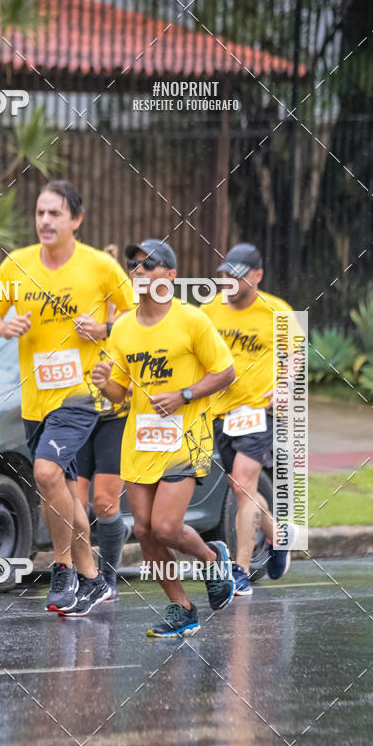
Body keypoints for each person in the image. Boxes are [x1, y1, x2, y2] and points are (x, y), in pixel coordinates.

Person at [0, 181, 134, 617]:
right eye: (40, 213)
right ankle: (92, 578)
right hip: (36, 399)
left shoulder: (100, 266)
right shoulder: (17, 263)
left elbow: (136, 317)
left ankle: (63, 567)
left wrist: (104, 329)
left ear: (76, 220)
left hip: (81, 394)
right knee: (59, 491)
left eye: (55, 214)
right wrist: (3, 327)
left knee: (46, 472)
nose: (45, 221)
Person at [92, 238, 236, 639]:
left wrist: (184, 395)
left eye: (149, 264)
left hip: (185, 438)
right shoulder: (122, 328)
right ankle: (182, 608)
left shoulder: (191, 320)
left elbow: (226, 372)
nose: (138, 271)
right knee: (143, 530)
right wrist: (105, 384)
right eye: (134, 265)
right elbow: (120, 393)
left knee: (167, 527)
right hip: (141, 441)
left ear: (171, 275)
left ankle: (211, 559)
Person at [202, 242, 297, 595]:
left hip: (260, 411)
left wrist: (286, 386)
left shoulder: (276, 311)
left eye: (238, 276)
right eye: (226, 274)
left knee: (242, 484)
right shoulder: (209, 311)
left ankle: (239, 571)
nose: (230, 281)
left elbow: (295, 355)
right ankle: (278, 536)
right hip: (220, 413)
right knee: (243, 489)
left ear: (257, 276)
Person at [76, 298, 129, 601]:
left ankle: (108, 576)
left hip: (117, 417)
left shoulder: (132, 312)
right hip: (77, 415)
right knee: (73, 502)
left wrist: (106, 328)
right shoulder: (75, 304)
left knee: (105, 503)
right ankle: (84, 575)